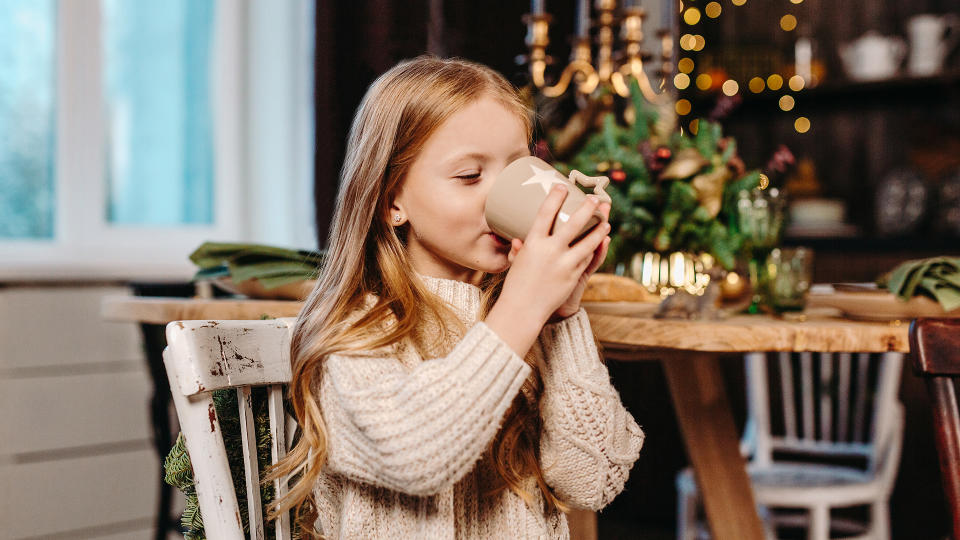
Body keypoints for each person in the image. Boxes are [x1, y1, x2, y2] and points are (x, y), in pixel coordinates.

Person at [269, 55, 645, 539]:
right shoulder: (356, 332)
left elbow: (593, 480)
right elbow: (420, 457)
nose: (497, 196)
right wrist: (524, 307)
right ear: (391, 202)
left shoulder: (520, 322)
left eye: (518, 170)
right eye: (469, 176)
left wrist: (563, 315)